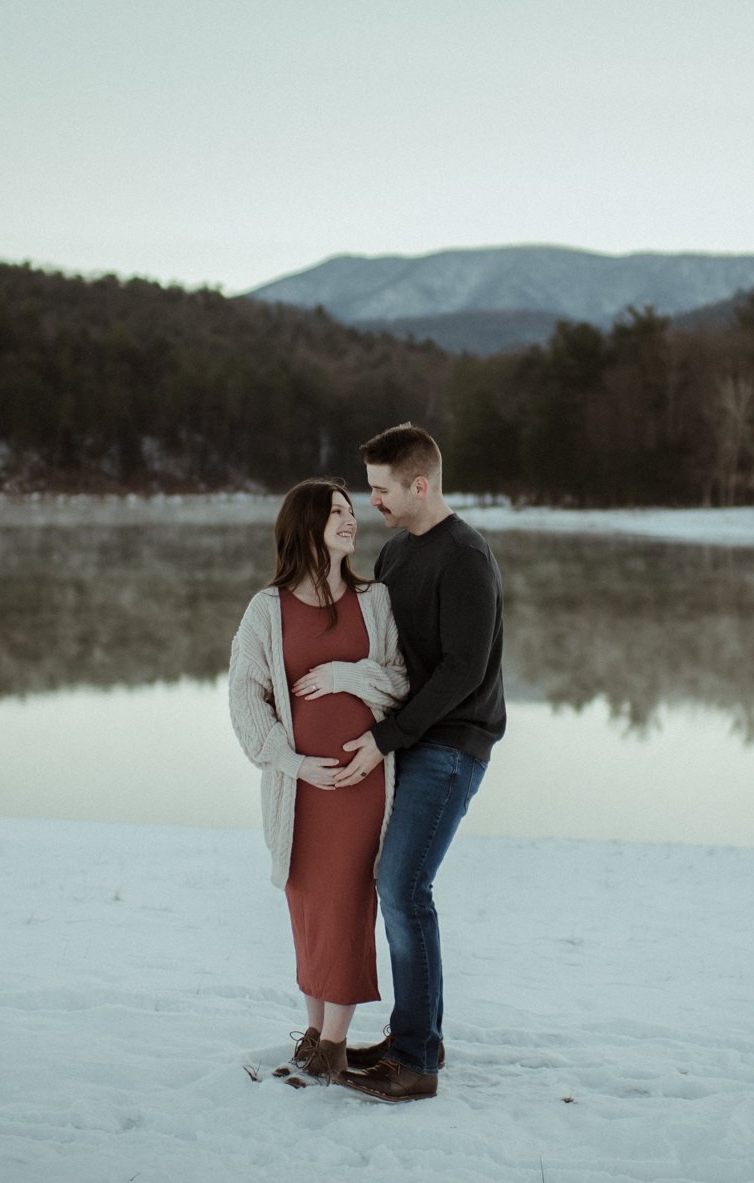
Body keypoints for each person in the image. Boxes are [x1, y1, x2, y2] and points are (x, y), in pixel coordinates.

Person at [334, 422, 505, 1103]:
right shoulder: (399, 551)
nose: (372, 499)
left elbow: (463, 670)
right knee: (395, 885)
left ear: (419, 484)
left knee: (404, 888)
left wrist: (387, 735)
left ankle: (416, 1063)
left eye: (380, 488)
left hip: (451, 744)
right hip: (413, 740)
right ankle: (416, 1037)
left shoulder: (465, 556)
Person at [228, 477, 408, 1083]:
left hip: (361, 784)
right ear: (306, 525)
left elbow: (400, 682)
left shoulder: (376, 601)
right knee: (306, 905)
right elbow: (245, 698)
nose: (350, 519)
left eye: (351, 511)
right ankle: (313, 1032)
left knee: (347, 906)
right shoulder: (267, 611)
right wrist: (291, 762)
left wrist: (347, 676)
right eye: (335, 512)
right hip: (298, 789)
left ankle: (333, 1044)